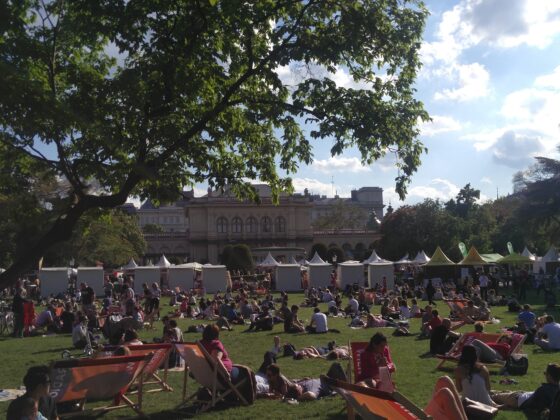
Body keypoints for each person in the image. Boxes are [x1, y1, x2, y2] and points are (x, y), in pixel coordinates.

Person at [491, 363, 560, 413]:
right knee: (500, 392)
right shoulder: (556, 389)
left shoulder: (543, 390)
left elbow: (530, 405)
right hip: (522, 395)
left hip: (517, 399)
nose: (545, 376)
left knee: (494, 396)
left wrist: (504, 406)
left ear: (550, 376)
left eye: (546, 374)